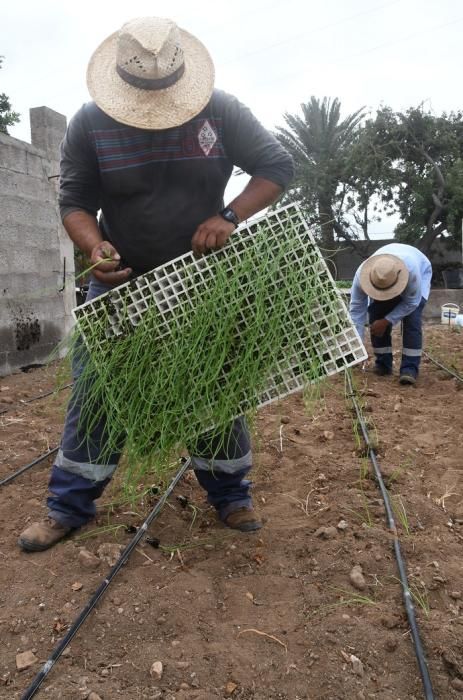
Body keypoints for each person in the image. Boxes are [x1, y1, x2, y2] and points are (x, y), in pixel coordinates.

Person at [18, 17, 294, 551]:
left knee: (212, 384)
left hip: (204, 280)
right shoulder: (90, 124)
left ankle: (231, 495)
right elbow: (74, 202)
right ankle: (68, 506)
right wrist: (94, 248)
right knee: (98, 392)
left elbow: (276, 166)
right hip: (122, 285)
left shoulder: (222, 110)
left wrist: (230, 217)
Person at [349, 242, 432, 385]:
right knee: (376, 313)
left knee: (412, 320)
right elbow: (357, 310)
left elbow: (411, 303)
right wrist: (358, 346)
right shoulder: (361, 275)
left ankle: (409, 368)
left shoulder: (411, 271)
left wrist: (387, 321)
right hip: (394, 269)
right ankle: (383, 364)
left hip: (420, 273)